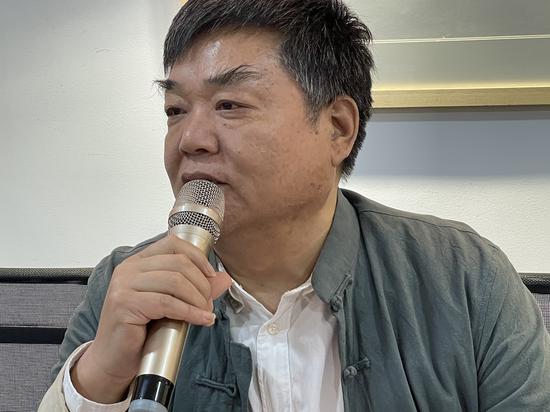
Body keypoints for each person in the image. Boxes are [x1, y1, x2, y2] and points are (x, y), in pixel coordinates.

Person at [39, 0, 550, 411]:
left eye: (230, 105)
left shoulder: (464, 278)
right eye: (175, 110)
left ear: (338, 129)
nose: (190, 139)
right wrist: (100, 378)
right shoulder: (124, 287)